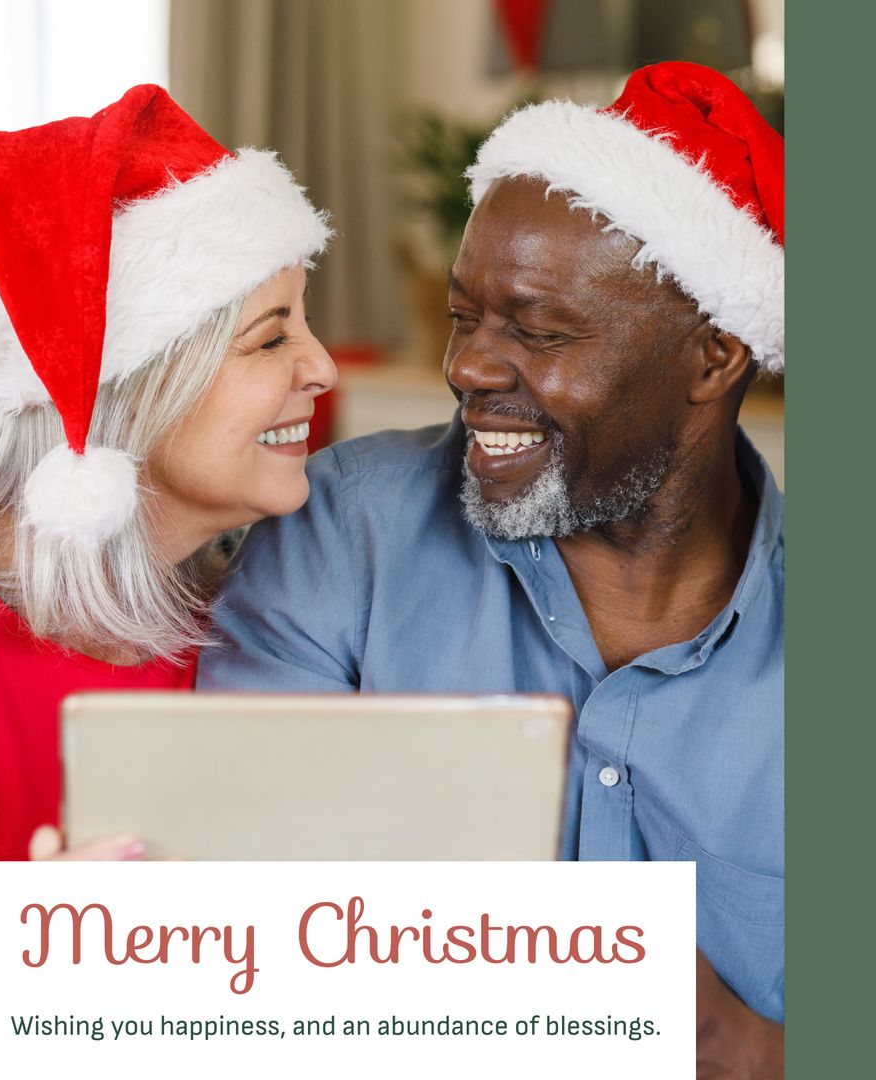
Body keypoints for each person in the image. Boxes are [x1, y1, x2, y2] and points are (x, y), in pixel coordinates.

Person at [199, 62, 784, 1074]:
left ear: (714, 356)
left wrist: (752, 1047)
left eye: (538, 329)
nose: (468, 365)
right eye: (468, 316)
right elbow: (224, 948)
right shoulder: (342, 535)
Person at [0, 85, 336, 1075]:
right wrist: (63, 998)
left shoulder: (262, 627)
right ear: (131, 386)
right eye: (271, 337)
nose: (321, 367)